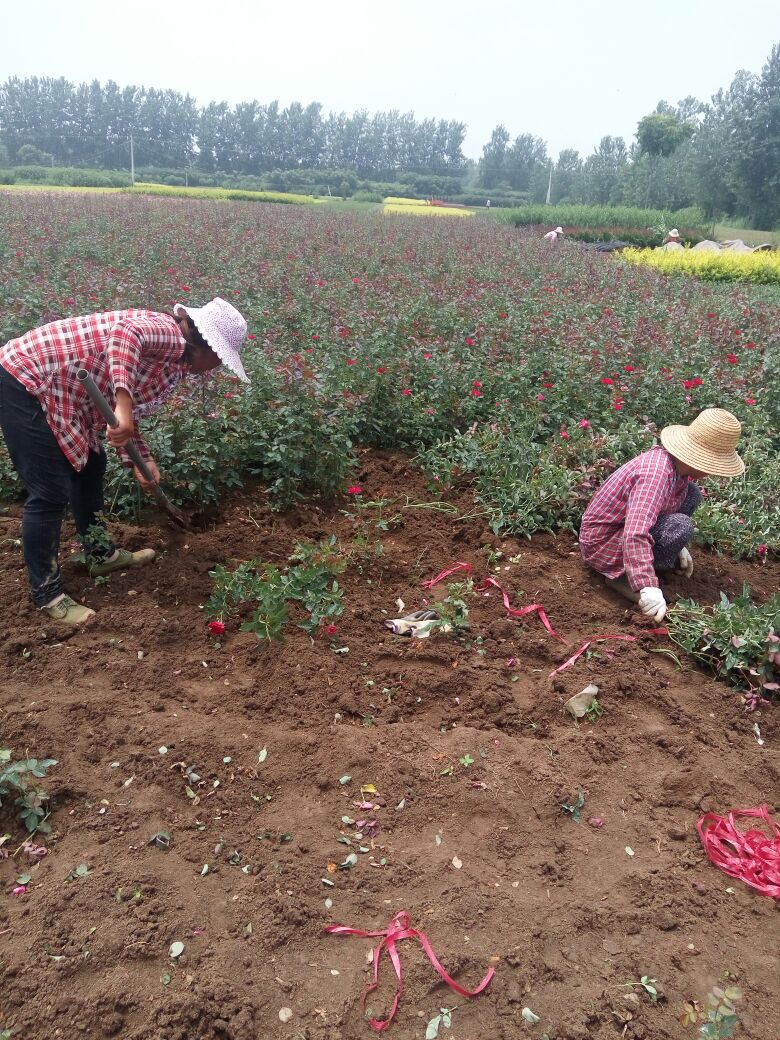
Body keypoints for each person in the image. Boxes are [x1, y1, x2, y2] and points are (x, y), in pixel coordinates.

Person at [0, 297, 249, 623]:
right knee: (49, 491)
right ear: (209, 350)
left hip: (66, 391)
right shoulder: (170, 334)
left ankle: (100, 554)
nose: (215, 370)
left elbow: (123, 416)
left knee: (91, 466)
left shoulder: (173, 363)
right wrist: (124, 406)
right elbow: (124, 334)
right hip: (28, 378)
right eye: (220, 361)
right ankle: (48, 594)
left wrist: (141, 460)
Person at [579, 408, 744, 623]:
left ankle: (646, 565)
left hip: (620, 533)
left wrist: (678, 546)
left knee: (692, 494)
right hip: (603, 544)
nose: (714, 471)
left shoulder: (677, 469)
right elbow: (635, 532)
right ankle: (624, 578)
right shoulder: (656, 475)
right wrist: (647, 585)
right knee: (680, 526)